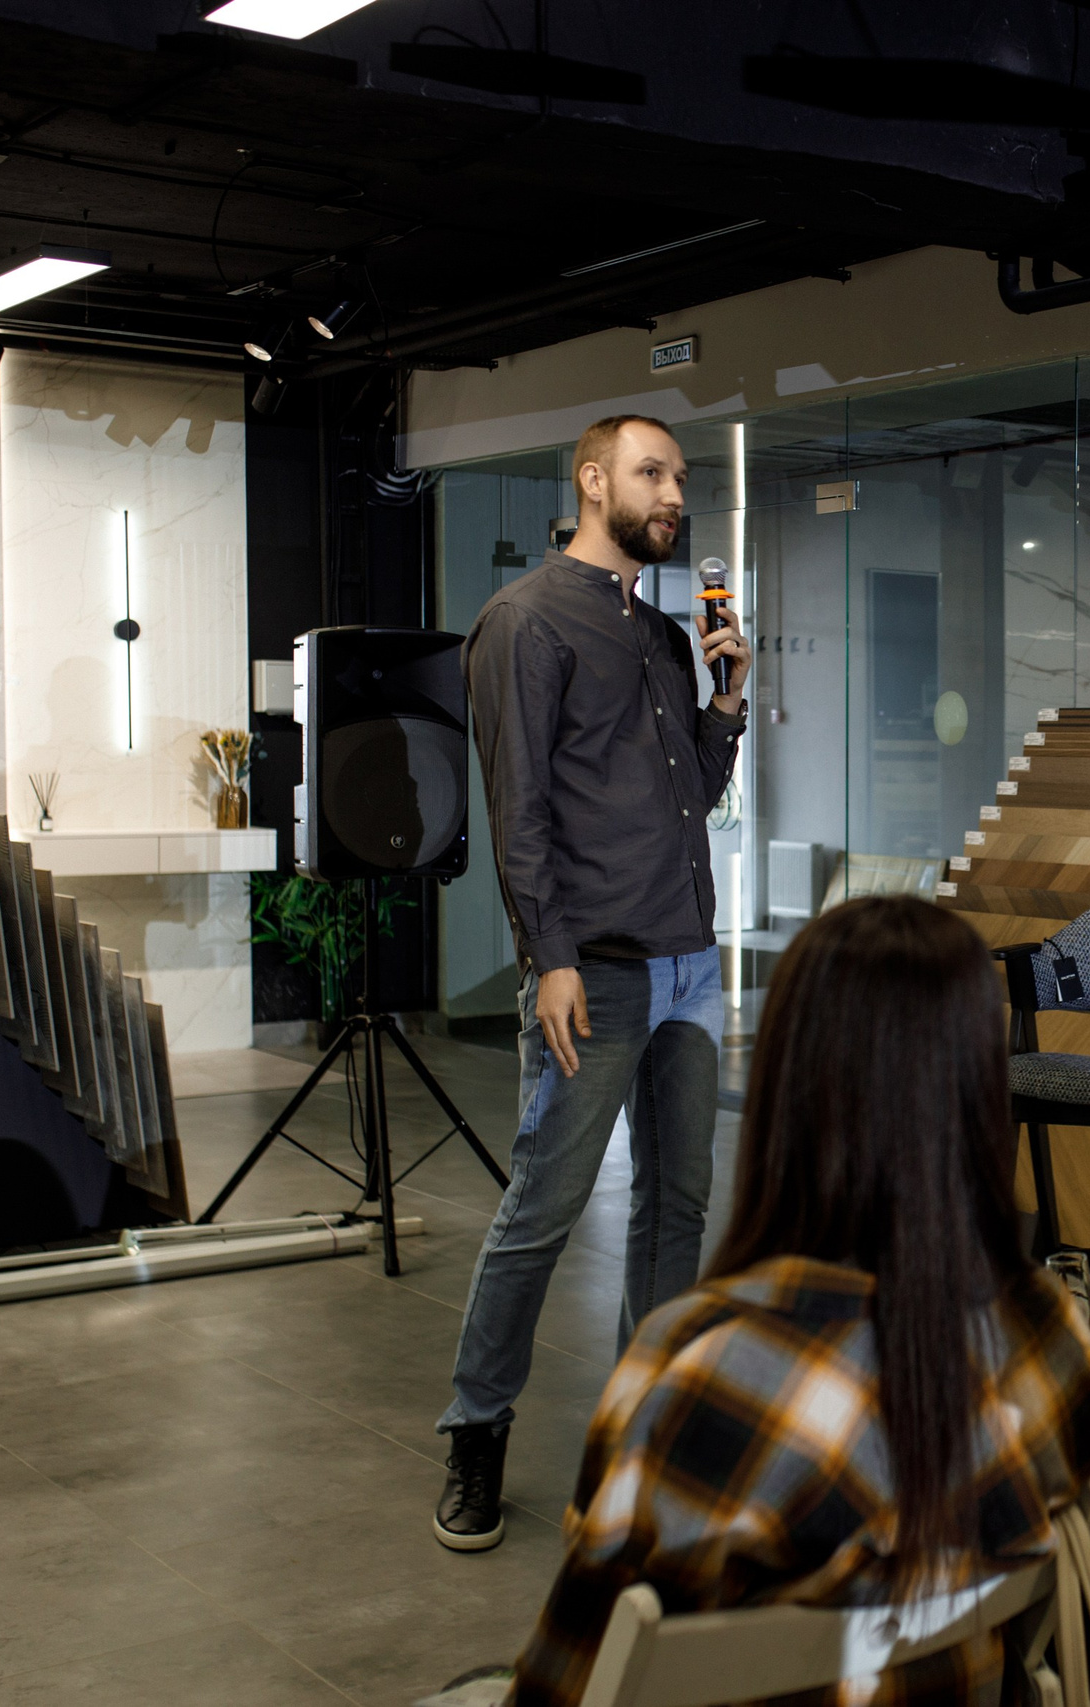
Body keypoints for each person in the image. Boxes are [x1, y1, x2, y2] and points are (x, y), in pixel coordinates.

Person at [505, 897, 1090, 1707]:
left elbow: (569, 1676)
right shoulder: (1052, 1335)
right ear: (976, 1092)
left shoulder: (694, 1370)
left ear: (790, 1083)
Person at [434, 413, 753, 1552]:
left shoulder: (667, 639)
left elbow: (695, 795)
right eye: (653, 474)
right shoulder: (521, 622)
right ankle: (476, 1431)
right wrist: (548, 957)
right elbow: (519, 812)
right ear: (592, 480)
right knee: (544, 1213)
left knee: (676, 1209)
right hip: (596, 976)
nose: (675, 495)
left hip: (688, 969)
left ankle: (644, 1438)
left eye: (679, 479)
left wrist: (726, 701)